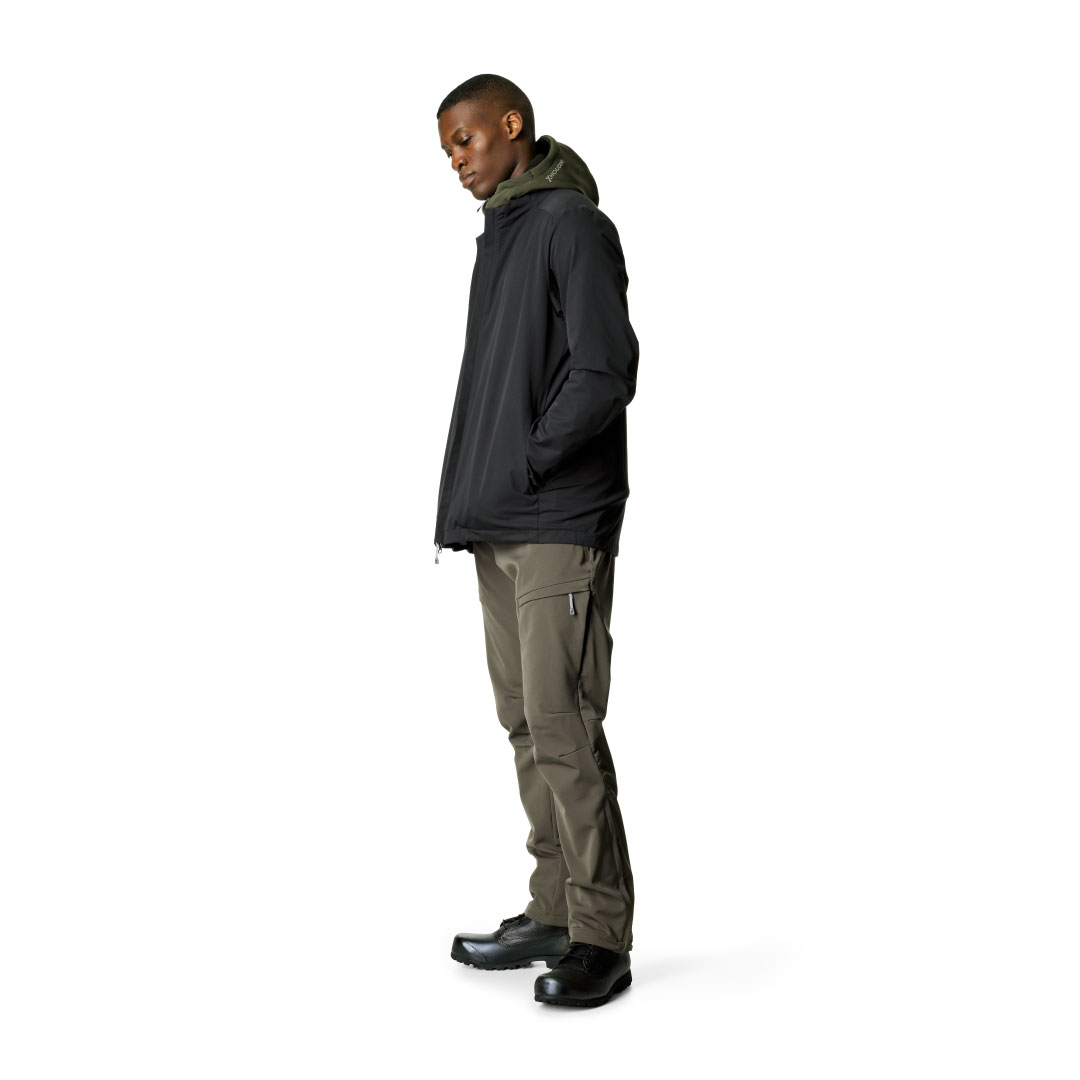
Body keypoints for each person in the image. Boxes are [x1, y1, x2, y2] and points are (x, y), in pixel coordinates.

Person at [433, 73, 639, 1008]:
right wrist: (479, 492)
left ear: (510, 125)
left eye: (465, 140)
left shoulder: (570, 225)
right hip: (500, 523)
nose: (456, 161)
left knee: (563, 724)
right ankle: (553, 908)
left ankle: (600, 933)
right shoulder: (504, 235)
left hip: (557, 517)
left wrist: (527, 462)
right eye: (447, 150)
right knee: (525, 723)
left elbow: (604, 370)